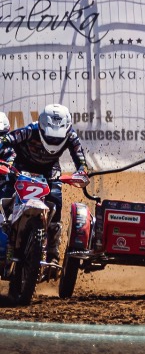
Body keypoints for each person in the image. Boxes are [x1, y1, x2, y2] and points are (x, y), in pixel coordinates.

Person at [1, 103, 89, 266]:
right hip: (21, 167)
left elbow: (80, 159)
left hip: (49, 171)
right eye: (50, 136)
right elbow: (7, 139)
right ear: (42, 126)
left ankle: (52, 252)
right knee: (4, 198)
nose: (53, 139)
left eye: (57, 137)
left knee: (56, 204)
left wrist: (82, 172)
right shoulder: (30, 130)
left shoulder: (71, 136)